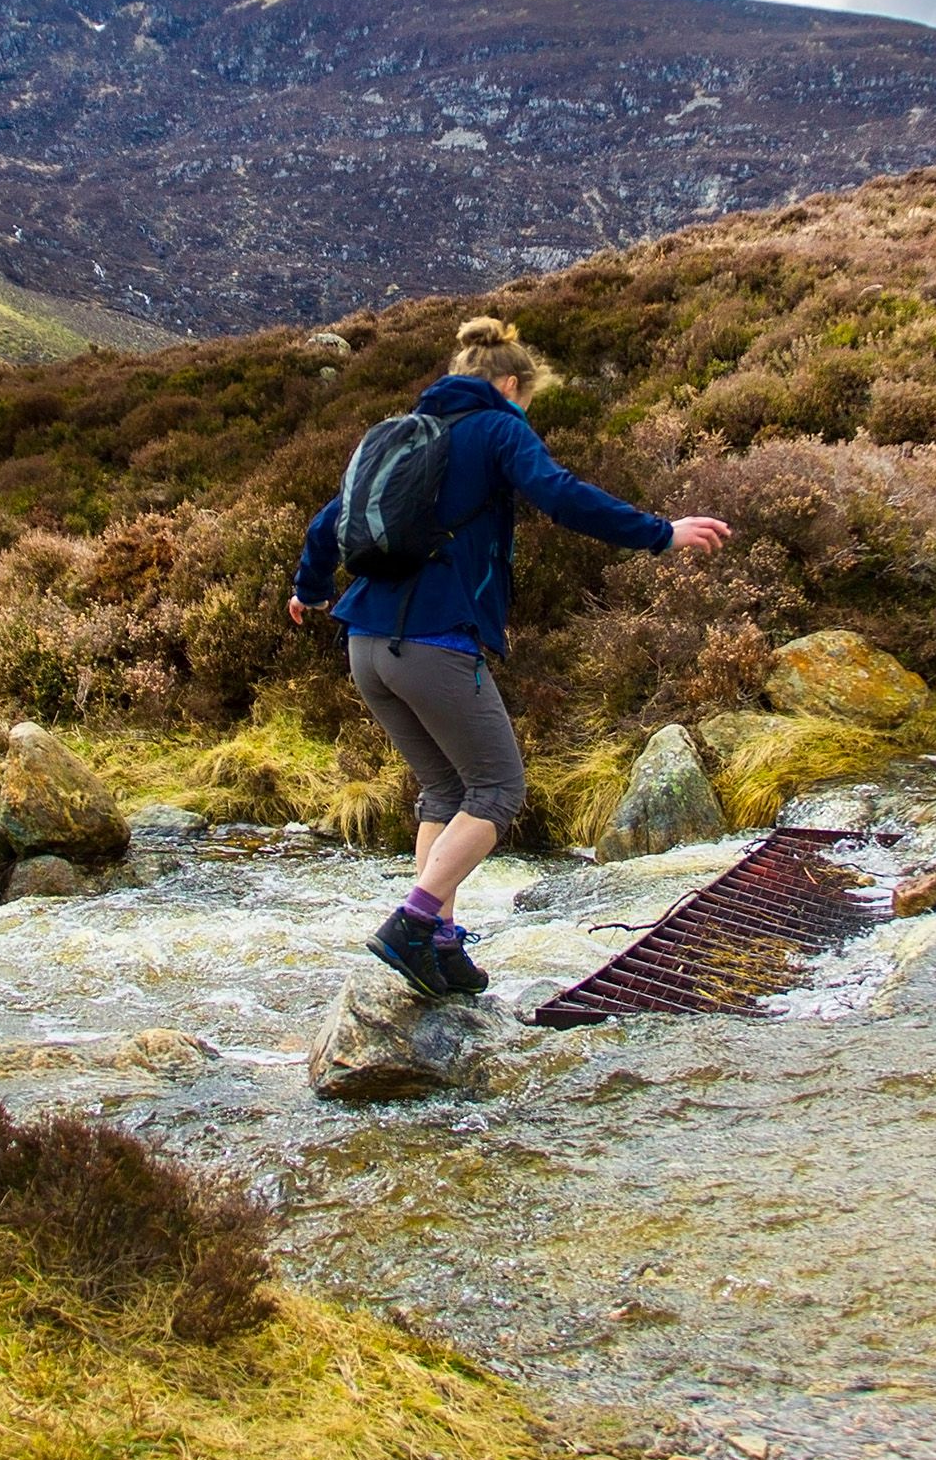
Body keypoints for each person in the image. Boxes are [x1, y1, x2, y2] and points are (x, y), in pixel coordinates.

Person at [290, 316, 733, 998]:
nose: (526, 411)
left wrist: (309, 589)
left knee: (443, 791)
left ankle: (438, 942)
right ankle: (411, 923)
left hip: (365, 644)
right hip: (432, 642)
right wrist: (658, 534)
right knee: (498, 790)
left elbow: (329, 521)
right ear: (508, 383)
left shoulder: (400, 435)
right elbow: (558, 494)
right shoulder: (498, 426)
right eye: (526, 399)